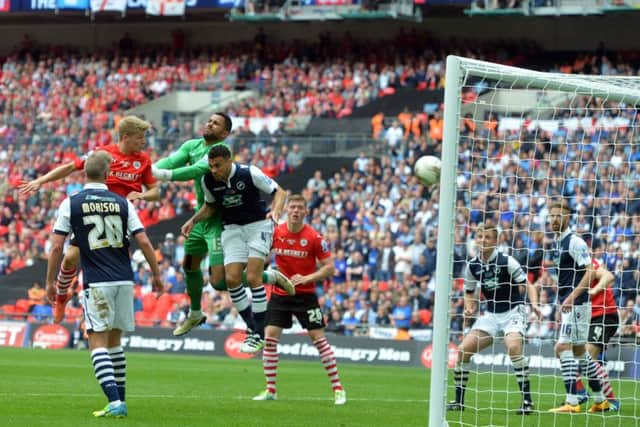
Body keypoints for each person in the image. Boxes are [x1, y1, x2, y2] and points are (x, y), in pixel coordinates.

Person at [152, 112, 294, 337]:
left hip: (219, 221)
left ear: (225, 133)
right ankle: (196, 312)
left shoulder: (220, 153)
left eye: (216, 123)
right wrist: (148, 170)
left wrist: (160, 174)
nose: (209, 123)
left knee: (219, 282)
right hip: (201, 218)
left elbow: (196, 170)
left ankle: (268, 278)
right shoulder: (191, 145)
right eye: (209, 120)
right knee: (189, 265)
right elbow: (170, 161)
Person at [47, 151, 163, 418]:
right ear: (108, 175)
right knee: (115, 342)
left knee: (96, 342)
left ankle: (114, 402)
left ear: (84, 173)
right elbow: (144, 241)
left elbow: (56, 247)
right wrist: (156, 275)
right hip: (124, 278)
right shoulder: (123, 203)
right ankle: (120, 400)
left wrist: (51, 281)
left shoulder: (72, 202)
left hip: (97, 281)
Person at [20, 116, 159, 323]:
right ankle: (62, 296)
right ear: (126, 137)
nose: (143, 142)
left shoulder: (143, 161)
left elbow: (155, 192)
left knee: (100, 266)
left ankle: (96, 318)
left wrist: (141, 195)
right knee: (70, 258)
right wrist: (41, 180)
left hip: (119, 219)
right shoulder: (102, 154)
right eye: (140, 137)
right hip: (93, 213)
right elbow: (70, 167)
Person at [181, 144, 288, 353]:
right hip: (231, 229)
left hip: (258, 226)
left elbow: (280, 192)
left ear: (229, 161)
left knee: (255, 276)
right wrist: (193, 221)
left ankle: (258, 333)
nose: (214, 170)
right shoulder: (208, 181)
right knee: (230, 280)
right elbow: (210, 206)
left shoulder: (249, 173)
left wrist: (275, 211)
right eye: (211, 166)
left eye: (218, 166)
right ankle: (254, 328)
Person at [252, 194, 346, 405]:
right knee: (270, 339)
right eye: (292, 207)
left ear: (305, 212)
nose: (295, 211)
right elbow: (260, 254)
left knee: (319, 341)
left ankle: (338, 389)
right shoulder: (276, 232)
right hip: (280, 294)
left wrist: (306, 278)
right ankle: (271, 389)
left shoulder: (315, 238)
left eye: (299, 208)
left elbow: (330, 268)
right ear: (287, 210)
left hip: (306, 296)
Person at [447, 223, 541, 415]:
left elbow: (528, 285)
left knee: (514, 347)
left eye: (487, 237)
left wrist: (535, 305)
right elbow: (469, 292)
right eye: (480, 236)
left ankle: (527, 401)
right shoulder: (473, 266)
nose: (482, 240)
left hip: (514, 311)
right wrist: (469, 306)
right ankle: (459, 401)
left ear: (496, 241)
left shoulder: (507, 261)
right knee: (463, 350)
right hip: (490, 315)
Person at [547, 200, 609, 413]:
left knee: (561, 348)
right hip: (572, 304)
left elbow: (590, 272)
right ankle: (601, 400)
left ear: (567, 217)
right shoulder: (559, 242)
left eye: (558, 215)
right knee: (581, 352)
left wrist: (571, 297)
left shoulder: (575, 242)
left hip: (578, 304)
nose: (554, 219)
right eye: (551, 216)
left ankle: (572, 402)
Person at [573, 260, 620, 411]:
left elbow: (608, 276)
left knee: (588, 357)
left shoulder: (587, 263)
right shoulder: (568, 269)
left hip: (604, 315)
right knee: (566, 352)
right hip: (587, 318)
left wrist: (595, 290)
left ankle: (612, 401)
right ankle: (580, 392)